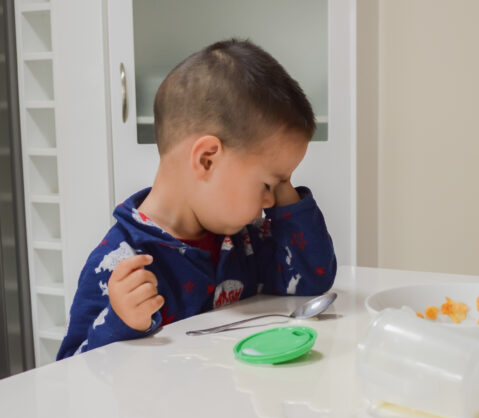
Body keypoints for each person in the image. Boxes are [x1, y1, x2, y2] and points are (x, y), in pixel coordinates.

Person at [57, 39, 337, 359]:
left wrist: (286, 189)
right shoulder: (120, 263)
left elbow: (311, 282)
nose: (272, 201)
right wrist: (120, 324)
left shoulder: (243, 240)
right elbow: (70, 372)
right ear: (206, 160)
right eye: (267, 184)